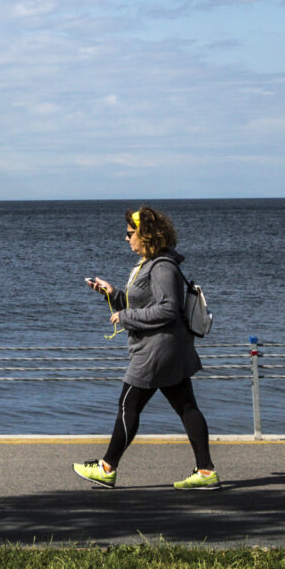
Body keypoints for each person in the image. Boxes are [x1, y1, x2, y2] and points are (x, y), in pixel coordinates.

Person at [74, 205, 220, 491]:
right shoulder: (151, 264)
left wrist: (126, 317)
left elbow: (167, 309)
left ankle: (107, 467)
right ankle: (206, 472)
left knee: (129, 404)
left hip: (157, 351)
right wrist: (112, 294)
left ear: (147, 235)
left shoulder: (162, 266)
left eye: (130, 233)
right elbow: (143, 302)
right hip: (167, 349)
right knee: (186, 407)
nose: (126, 238)